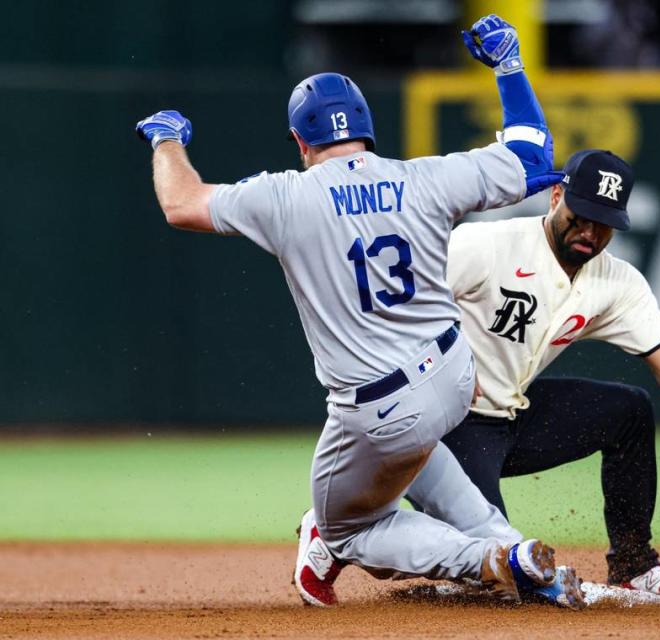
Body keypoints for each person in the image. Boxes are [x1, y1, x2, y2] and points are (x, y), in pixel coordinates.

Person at [135, 15, 585, 609]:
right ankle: (520, 551)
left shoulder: (285, 196)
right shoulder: (426, 178)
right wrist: (508, 65)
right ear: (367, 132)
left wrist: (167, 140)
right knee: (415, 455)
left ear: (301, 142)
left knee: (347, 528)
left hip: (380, 406)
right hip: (452, 373)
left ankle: (489, 560)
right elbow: (532, 155)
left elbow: (181, 203)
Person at [297, 148, 660, 606]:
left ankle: (635, 566)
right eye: (581, 215)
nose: (589, 231)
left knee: (631, 411)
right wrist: (440, 365)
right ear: (555, 195)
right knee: (497, 570)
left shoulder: (615, 282)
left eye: (603, 223)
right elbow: (396, 303)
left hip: (513, 414)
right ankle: (341, 530)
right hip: (450, 426)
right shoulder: (487, 245)